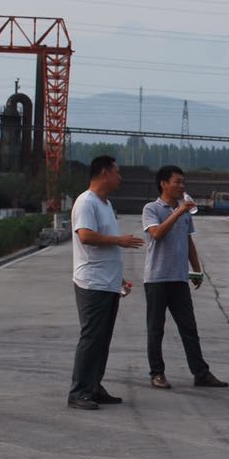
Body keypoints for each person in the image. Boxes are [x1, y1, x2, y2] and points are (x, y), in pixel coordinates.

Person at [68, 156, 144, 410]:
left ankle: (93, 386)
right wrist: (119, 241)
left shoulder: (106, 204)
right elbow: (86, 236)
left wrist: (117, 277)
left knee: (102, 340)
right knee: (91, 338)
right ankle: (79, 391)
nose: (120, 178)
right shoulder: (86, 202)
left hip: (107, 282)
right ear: (104, 173)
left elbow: (103, 241)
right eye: (116, 172)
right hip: (92, 283)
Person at [142, 165, 228, 390]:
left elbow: (188, 241)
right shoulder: (151, 208)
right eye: (177, 182)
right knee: (156, 329)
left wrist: (197, 270)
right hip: (157, 278)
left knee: (189, 327)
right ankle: (157, 373)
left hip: (179, 278)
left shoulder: (184, 212)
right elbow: (157, 234)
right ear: (163, 184)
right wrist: (178, 212)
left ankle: (201, 373)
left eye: (183, 182)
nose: (182, 186)